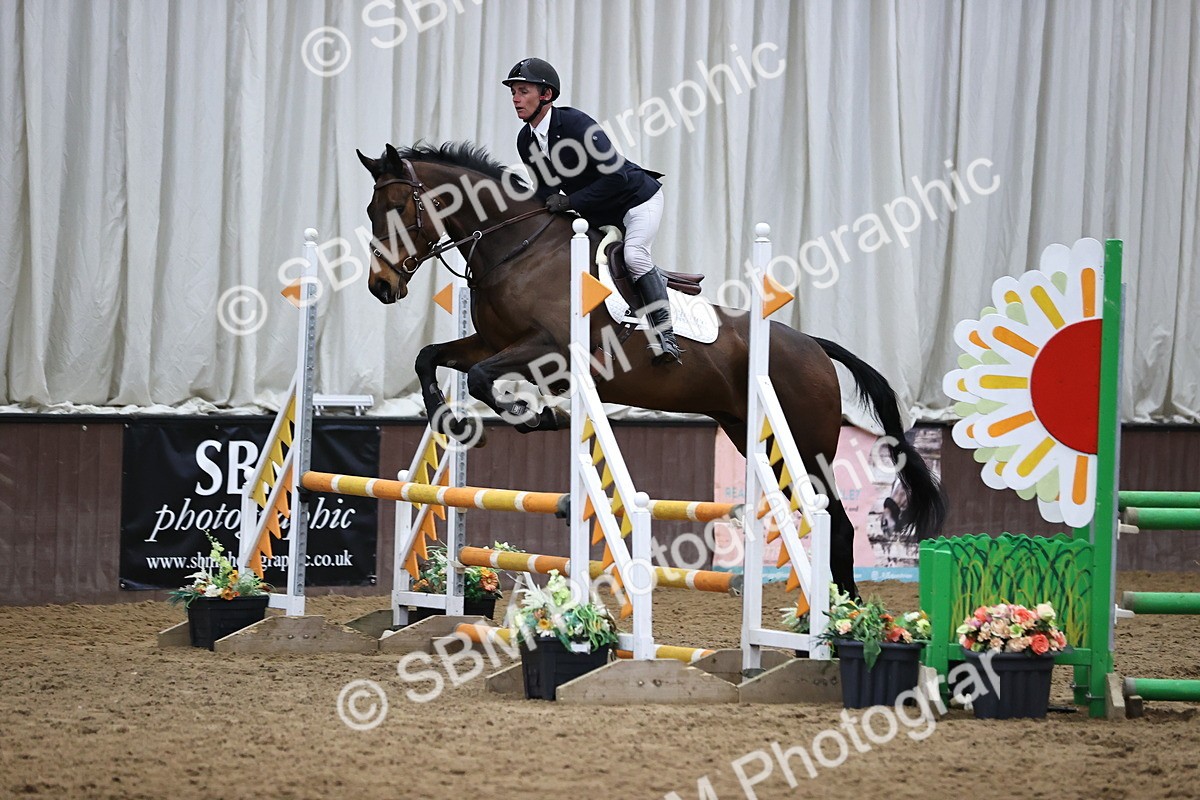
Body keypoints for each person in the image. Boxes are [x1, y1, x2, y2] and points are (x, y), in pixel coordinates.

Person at [503, 57, 682, 366]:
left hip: (637, 200)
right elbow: (547, 190)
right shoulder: (527, 139)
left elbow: (617, 177)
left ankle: (665, 335)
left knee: (635, 256)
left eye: (523, 91)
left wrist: (570, 203)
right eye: (514, 92)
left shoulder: (574, 124)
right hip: (599, 212)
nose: (516, 99)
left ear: (545, 95)